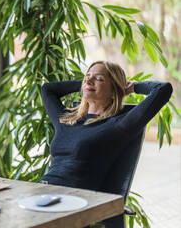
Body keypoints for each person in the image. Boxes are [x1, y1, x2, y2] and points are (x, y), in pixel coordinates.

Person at [40, 61, 173, 191]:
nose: (89, 80)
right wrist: (86, 84)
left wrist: (132, 87)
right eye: (87, 76)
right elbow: (47, 89)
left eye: (99, 78)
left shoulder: (119, 126)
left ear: (113, 90)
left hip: (75, 199)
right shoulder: (68, 119)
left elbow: (163, 89)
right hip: (44, 190)